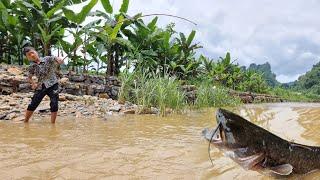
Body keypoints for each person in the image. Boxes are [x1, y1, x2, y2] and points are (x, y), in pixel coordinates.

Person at [23, 47, 64, 123]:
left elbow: (55, 58)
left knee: (54, 103)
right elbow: (29, 77)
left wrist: (59, 59)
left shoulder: (47, 59)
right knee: (33, 103)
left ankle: (53, 125)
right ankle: (25, 122)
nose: (32, 55)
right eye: (29, 55)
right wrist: (33, 83)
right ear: (27, 58)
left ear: (36, 52)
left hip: (53, 84)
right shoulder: (32, 67)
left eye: (32, 52)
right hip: (41, 86)